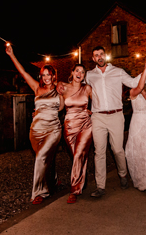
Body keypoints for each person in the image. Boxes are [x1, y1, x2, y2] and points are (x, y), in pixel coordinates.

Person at [5, 43, 63, 204]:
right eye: (43, 75)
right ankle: (53, 180)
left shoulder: (59, 89)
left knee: (41, 157)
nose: (46, 77)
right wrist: (11, 55)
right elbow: (22, 71)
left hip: (53, 129)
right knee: (46, 157)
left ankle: (39, 192)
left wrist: (62, 95)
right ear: (41, 76)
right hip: (36, 131)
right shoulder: (36, 88)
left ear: (53, 76)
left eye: (49, 75)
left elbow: (63, 106)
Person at [84, 45, 140, 197]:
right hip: (98, 117)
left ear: (105, 55)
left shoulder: (118, 72)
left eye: (101, 54)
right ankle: (100, 186)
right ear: (93, 58)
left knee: (117, 149)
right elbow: (81, 91)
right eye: (96, 55)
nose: (99, 57)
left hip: (116, 115)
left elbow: (134, 83)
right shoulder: (89, 75)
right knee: (99, 151)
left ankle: (123, 174)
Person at [59, 64, 93, 203]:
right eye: (77, 71)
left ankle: (74, 190)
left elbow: (98, 102)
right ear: (72, 72)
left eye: (83, 72)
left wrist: (93, 111)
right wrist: (40, 112)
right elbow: (60, 107)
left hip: (85, 125)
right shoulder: (64, 88)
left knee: (79, 153)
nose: (80, 73)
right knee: (78, 156)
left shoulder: (87, 88)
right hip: (69, 126)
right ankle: (80, 182)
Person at [125, 65, 146, 196]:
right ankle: (141, 178)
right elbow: (139, 87)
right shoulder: (134, 93)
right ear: (143, 80)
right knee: (138, 152)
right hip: (137, 125)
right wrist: (145, 69)